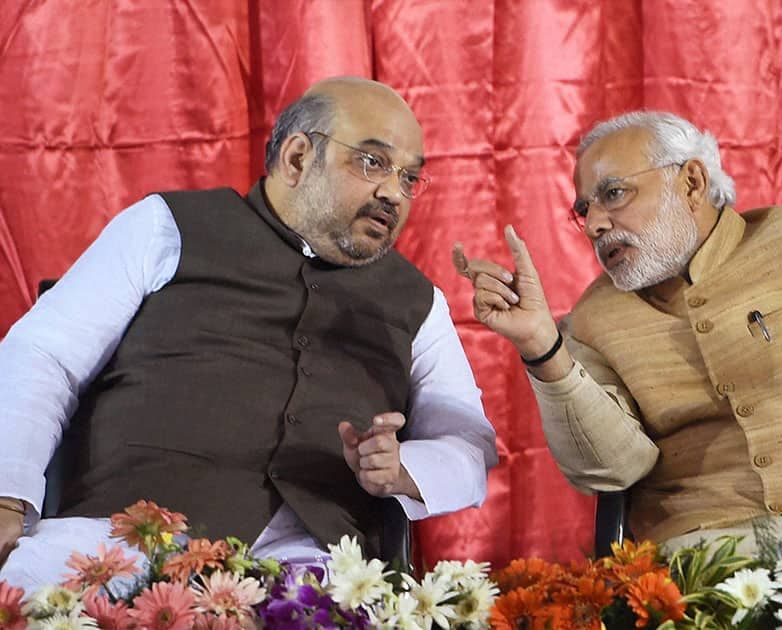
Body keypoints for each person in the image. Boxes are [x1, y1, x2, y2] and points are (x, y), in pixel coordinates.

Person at [0, 77, 497, 591]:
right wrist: (6, 496)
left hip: (312, 571)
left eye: (409, 178)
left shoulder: (418, 301)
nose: (394, 192)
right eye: (372, 162)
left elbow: (468, 445)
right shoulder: (164, 229)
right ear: (298, 157)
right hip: (123, 547)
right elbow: (43, 355)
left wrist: (401, 470)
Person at [453, 110, 782, 558]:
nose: (595, 224)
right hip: (706, 562)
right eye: (584, 208)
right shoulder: (593, 320)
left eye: (614, 194)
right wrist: (544, 351)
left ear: (690, 182)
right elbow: (613, 468)